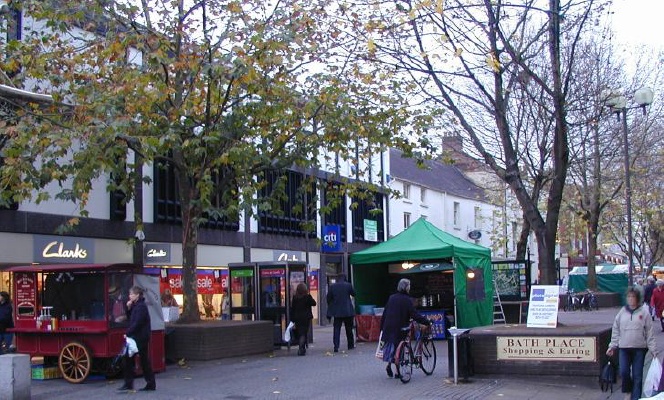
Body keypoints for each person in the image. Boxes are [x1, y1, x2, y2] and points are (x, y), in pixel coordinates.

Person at [607, 287, 658, 400]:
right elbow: (616, 330)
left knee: (637, 376)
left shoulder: (644, 313)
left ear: (637, 298)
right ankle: (628, 390)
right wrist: (612, 346)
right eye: (629, 297)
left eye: (633, 297)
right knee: (624, 371)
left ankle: (636, 398)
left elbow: (649, 332)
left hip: (639, 348)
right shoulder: (621, 313)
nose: (631, 299)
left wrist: (653, 350)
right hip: (624, 347)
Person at [380, 279, 431, 379]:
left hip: (388, 326)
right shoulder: (407, 299)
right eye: (409, 286)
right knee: (402, 345)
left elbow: (385, 313)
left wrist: (382, 328)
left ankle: (389, 365)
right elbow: (414, 314)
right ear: (407, 287)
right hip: (401, 327)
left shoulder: (391, 297)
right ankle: (397, 372)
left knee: (392, 347)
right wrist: (426, 321)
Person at [119, 286, 156, 392]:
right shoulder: (136, 306)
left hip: (140, 337)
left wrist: (128, 333)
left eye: (131, 294)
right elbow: (130, 318)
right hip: (136, 336)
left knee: (142, 360)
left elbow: (137, 323)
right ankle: (130, 383)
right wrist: (128, 308)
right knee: (130, 358)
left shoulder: (141, 307)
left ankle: (148, 383)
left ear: (137, 295)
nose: (129, 296)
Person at [327, 274, 356, 352]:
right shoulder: (348, 285)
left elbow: (328, 298)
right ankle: (350, 345)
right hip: (347, 311)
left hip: (337, 312)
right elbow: (354, 294)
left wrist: (332, 306)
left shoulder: (332, 287)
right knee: (349, 328)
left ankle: (336, 346)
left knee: (336, 329)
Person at [289, 283, 317, 356]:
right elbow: (314, 303)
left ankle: (302, 348)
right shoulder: (307, 297)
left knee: (300, 332)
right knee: (303, 333)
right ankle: (301, 348)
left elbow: (293, 309)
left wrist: (292, 319)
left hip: (297, 318)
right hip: (306, 318)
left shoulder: (295, 298)